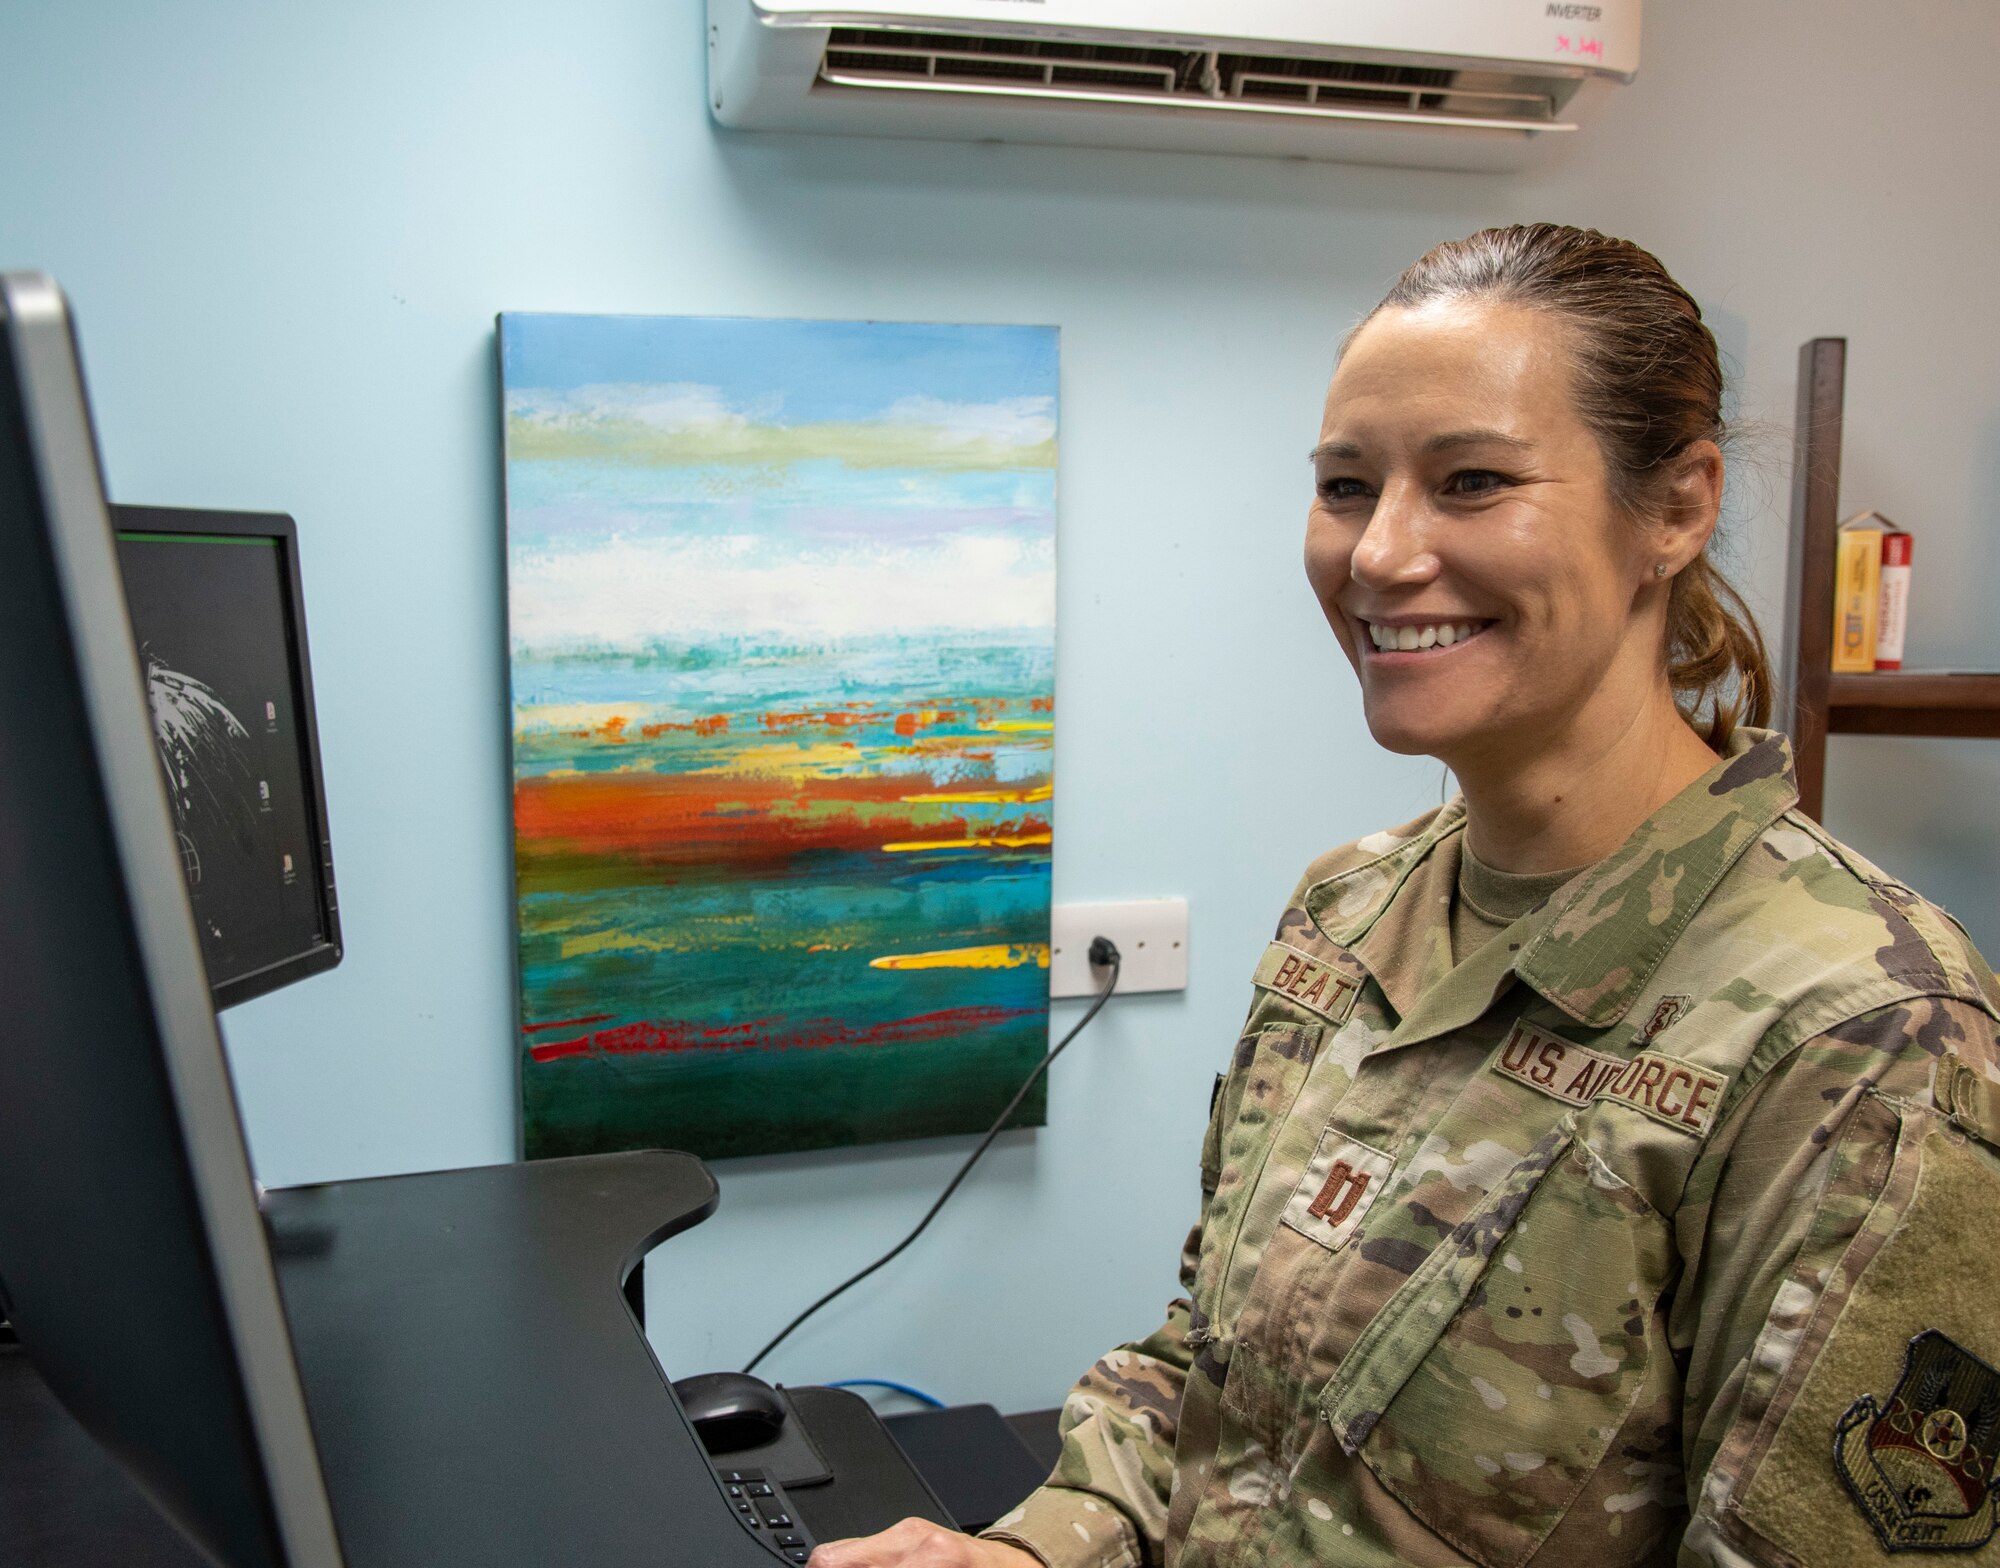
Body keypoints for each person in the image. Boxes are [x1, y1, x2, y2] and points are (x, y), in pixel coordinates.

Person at [810, 224, 2000, 1568]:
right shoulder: (1347, 914)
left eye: (1473, 481)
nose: (1378, 555)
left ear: (1675, 506)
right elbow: (1215, 1373)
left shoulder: (1860, 1030)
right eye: (1344, 487)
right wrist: (1032, 1550)